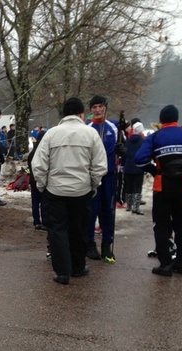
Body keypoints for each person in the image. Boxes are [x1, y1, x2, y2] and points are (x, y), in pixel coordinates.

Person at [31, 97, 108, 284]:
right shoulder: (91, 134)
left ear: (63, 114)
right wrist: (92, 184)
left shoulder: (51, 134)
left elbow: (38, 164)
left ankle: (62, 272)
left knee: (57, 230)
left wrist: (43, 186)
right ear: (82, 114)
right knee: (79, 229)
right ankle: (78, 267)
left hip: (55, 190)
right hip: (81, 190)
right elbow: (99, 165)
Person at [135, 104, 182, 276]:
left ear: (161, 120)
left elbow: (139, 159)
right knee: (180, 223)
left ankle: (165, 264)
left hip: (163, 186)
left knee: (161, 225)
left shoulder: (155, 136)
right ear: (177, 119)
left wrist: (153, 170)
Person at [86, 94, 123, 262]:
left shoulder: (114, 127)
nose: (98, 110)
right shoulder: (87, 128)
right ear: (90, 110)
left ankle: (107, 244)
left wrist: (123, 150)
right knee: (91, 211)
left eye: (100, 106)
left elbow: (123, 147)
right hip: (92, 177)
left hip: (109, 176)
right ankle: (89, 243)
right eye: (94, 107)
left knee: (108, 211)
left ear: (105, 108)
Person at [122, 121, 146, 214]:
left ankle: (128, 205)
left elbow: (124, 154)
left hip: (128, 166)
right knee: (137, 187)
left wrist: (123, 164)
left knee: (128, 186)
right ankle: (135, 207)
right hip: (139, 167)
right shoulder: (143, 141)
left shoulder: (128, 141)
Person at [27, 129, 47, 232]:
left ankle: (36, 221)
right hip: (41, 179)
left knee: (35, 201)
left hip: (32, 179)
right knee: (44, 201)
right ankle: (44, 221)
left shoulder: (32, 153)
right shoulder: (43, 152)